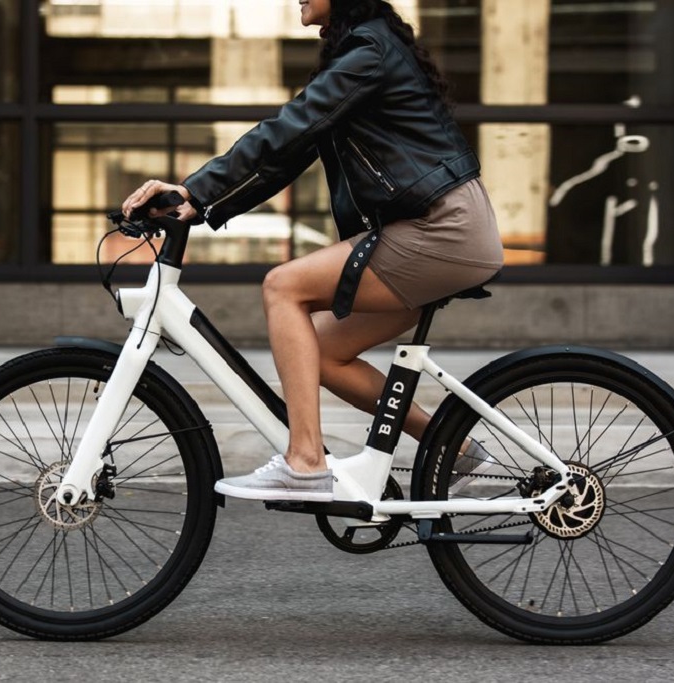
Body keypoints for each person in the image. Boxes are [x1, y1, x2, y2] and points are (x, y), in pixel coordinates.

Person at [122, 0, 503, 502]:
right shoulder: (364, 49)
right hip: (439, 224)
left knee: (284, 286)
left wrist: (195, 189)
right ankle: (453, 450)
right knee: (320, 353)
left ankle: (305, 461)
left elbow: (289, 126)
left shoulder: (369, 51)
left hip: (439, 227)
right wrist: (201, 202)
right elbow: (290, 152)